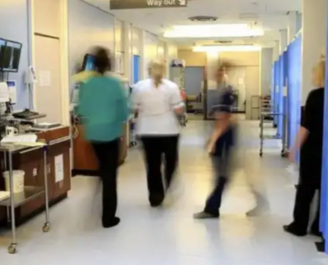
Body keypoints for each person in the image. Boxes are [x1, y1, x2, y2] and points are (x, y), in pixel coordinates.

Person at [194, 68, 267, 219]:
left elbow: (224, 120)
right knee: (233, 173)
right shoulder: (223, 92)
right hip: (228, 138)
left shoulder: (226, 93)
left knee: (223, 175)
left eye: (221, 73)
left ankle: (212, 208)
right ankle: (259, 200)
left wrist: (212, 141)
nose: (217, 75)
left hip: (226, 140)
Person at [77, 46, 129, 228]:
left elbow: (81, 109)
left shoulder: (87, 84)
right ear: (108, 65)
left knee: (103, 170)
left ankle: (96, 201)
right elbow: (123, 112)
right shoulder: (114, 84)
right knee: (110, 176)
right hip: (110, 134)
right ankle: (108, 218)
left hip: (93, 135)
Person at [132, 59, 184, 207]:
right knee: (170, 163)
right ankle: (168, 184)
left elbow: (133, 108)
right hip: (169, 131)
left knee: (152, 165)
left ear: (149, 70)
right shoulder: (172, 87)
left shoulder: (139, 87)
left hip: (147, 131)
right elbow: (179, 110)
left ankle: (156, 196)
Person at [284, 57, 325, 237]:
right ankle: (319, 226)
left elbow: (305, 127)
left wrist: (293, 149)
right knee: (324, 189)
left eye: (314, 72)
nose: (311, 76)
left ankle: (299, 226)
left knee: (305, 190)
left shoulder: (315, 96)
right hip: (325, 152)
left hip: (313, 152)